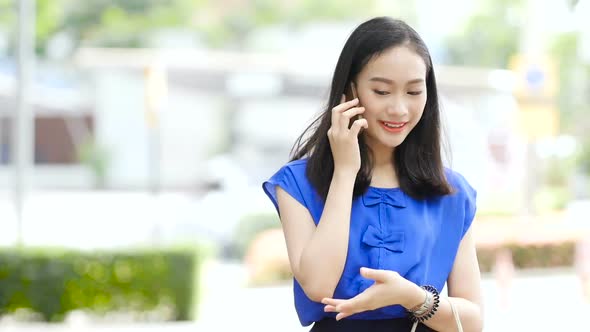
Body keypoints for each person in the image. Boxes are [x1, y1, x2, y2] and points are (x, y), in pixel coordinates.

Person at [262, 16, 483, 332]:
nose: (399, 109)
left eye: (413, 92)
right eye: (381, 91)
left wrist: (413, 297)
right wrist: (345, 171)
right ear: (350, 90)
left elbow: (473, 322)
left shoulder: (451, 193)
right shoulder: (298, 184)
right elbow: (318, 285)